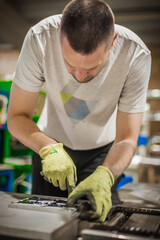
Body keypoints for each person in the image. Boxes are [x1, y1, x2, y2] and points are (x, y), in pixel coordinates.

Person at [7, 0, 151, 222]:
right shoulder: (39, 38)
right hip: (49, 146)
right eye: (69, 64)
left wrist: (105, 175)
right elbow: (17, 117)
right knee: (45, 222)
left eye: (92, 67)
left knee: (99, 222)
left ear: (112, 41)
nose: (80, 76)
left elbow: (127, 138)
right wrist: (48, 149)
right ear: (58, 34)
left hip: (103, 153)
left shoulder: (135, 55)